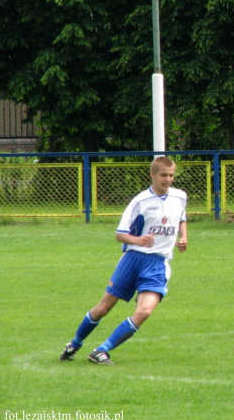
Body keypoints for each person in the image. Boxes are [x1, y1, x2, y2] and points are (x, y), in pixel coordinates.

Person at [60, 156, 188, 365]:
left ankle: (102, 350)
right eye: (164, 175)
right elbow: (120, 234)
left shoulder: (180, 197)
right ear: (153, 175)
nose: (168, 179)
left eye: (172, 175)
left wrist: (183, 238)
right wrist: (138, 240)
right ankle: (74, 344)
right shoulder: (140, 201)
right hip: (133, 260)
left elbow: (181, 218)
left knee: (145, 311)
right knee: (103, 308)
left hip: (158, 263)